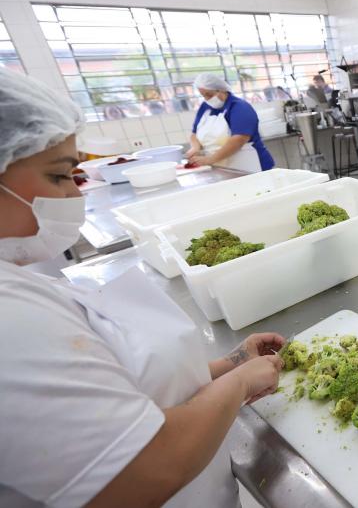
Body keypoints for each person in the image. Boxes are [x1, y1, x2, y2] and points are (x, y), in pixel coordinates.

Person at [0, 68, 284, 507]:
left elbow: (120, 386)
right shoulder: (8, 317)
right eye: (59, 176)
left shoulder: (19, 284)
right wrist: (241, 383)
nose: (75, 194)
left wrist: (231, 362)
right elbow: (145, 470)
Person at [186, 73, 275, 172]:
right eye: (203, 96)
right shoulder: (205, 108)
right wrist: (195, 148)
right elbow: (194, 134)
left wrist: (210, 159)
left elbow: (239, 139)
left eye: (209, 95)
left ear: (221, 90)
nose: (207, 99)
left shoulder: (240, 107)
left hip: (251, 166)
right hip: (223, 167)